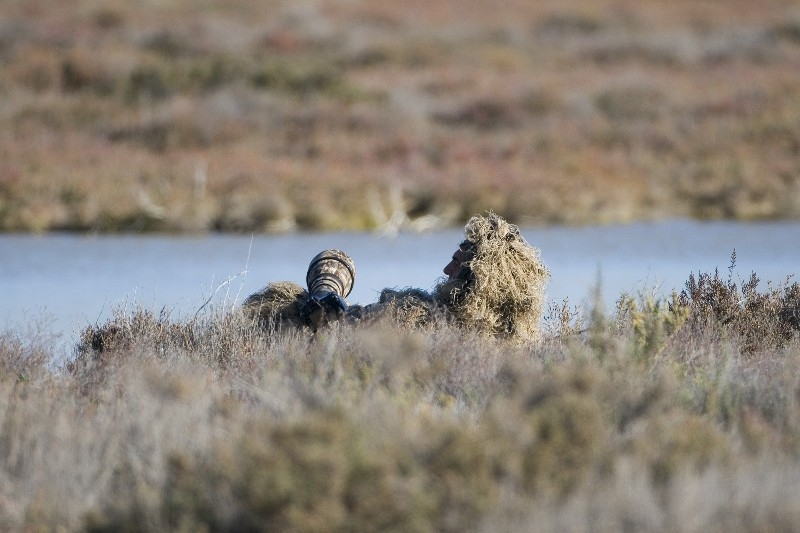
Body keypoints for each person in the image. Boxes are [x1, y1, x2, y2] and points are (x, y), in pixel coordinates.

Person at [242, 212, 550, 343]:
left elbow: (333, 318)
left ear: (479, 279)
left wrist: (323, 299)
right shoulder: (519, 342)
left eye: (456, 265)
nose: (446, 272)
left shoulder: (415, 318)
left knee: (285, 301)